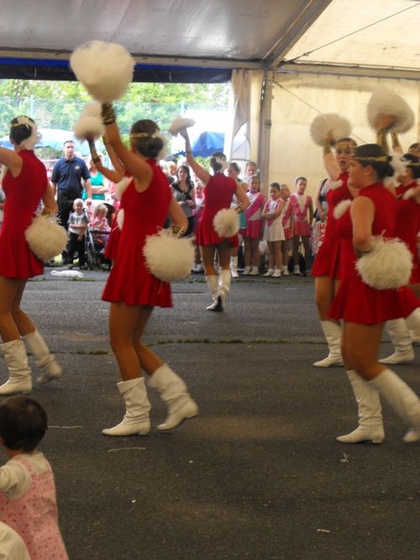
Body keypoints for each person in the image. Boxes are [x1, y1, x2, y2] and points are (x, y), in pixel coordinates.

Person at [97, 103, 198, 436]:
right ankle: (178, 396)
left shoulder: (142, 172)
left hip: (134, 265)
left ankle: (138, 416)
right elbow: (182, 222)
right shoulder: (156, 177)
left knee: (119, 342)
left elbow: (113, 140)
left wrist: (106, 103)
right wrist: (162, 247)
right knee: (134, 342)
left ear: (135, 145)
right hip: (148, 266)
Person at [329, 144, 420, 444]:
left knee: (364, 361)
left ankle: (416, 415)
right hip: (363, 281)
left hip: (365, 283)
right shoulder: (383, 194)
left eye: (353, 165)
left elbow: (362, 238)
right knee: (350, 356)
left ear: (368, 169)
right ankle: (370, 423)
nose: (348, 168)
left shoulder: (365, 200)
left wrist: (370, 257)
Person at [0, 115, 63, 395]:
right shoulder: (38, 166)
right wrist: (33, 220)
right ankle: (47, 363)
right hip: (25, 235)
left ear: (12, 137)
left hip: (13, 234)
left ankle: (19, 375)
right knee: (12, 308)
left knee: (1, 311)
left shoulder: (18, 160)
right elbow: (52, 206)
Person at [180, 128, 250, 311]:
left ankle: (215, 296)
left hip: (209, 224)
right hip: (225, 224)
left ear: (211, 165)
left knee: (208, 263)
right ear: (225, 165)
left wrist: (187, 139)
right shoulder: (232, 182)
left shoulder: (207, 179)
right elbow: (246, 202)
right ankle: (223, 294)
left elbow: (190, 161)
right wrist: (234, 212)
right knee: (225, 263)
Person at [0, 396, 68, 559]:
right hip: (51, 544)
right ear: (44, 431)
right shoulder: (43, 464)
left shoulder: (17, 472)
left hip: (26, 547)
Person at [311, 137, 357, 368]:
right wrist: (326, 141)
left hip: (349, 245)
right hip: (329, 243)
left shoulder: (357, 181)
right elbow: (328, 159)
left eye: (349, 152)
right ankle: (336, 350)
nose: (343, 155)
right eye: (340, 151)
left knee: (344, 303)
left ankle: (351, 351)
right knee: (321, 299)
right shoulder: (335, 178)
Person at [50, 140, 92, 232]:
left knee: (78, 223)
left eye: (72, 147)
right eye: (68, 147)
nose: (70, 149)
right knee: (61, 223)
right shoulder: (58, 164)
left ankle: (75, 245)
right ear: (64, 149)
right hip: (63, 198)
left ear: (74, 148)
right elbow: (53, 183)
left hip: (76, 197)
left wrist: (89, 197)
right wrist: (52, 200)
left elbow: (87, 180)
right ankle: (62, 245)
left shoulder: (81, 163)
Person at [241, 175, 265, 275]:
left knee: (255, 246)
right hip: (246, 224)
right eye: (252, 183)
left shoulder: (262, 197)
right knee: (247, 246)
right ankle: (247, 267)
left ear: (259, 185)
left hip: (257, 223)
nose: (254, 185)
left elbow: (264, 212)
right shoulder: (244, 195)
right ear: (248, 184)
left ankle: (255, 267)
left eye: (256, 183)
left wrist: (262, 226)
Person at [289, 176, 313, 276]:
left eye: (304, 185)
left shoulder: (308, 198)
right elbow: (289, 212)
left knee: (307, 246)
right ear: (296, 185)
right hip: (295, 223)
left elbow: (311, 211)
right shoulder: (292, 197)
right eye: (300, 184)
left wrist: (310, 223)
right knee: (295, 246)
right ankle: (296, 267)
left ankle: (307, 267)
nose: (302, 186)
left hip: (305, 223)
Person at [227, 162, 247, 277]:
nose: (228, 173)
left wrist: (234, 184)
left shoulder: (242, 184)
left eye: (231, 171)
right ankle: (223, 265)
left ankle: (233, 267)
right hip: (226, 211)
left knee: (235, 238)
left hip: (237, 210)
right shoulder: (225, 183)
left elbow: (240, 201)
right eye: (228, 171)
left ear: (237, 172)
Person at [261, 182, 285, 277]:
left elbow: (276, 213)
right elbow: (263, 214)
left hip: (276, 227)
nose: (272, 194)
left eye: (274, 191)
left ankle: (278, 269)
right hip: (268, 227)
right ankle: (271, 268)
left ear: (279, 192)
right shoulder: (268, 202)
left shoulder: (281, 202)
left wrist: (268, 215)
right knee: (270, 250)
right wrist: (268, 215)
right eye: (271, 192)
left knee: (277, 249)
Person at [171, 164, 195, 237]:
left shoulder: (191, 187)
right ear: (177, 173)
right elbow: (167, 204)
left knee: (188, 240)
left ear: (187, 174)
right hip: (177, 219)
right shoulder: (172, 186)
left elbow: (194, 206)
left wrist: (192, 203)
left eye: (185, 172)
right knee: (176, 239)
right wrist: (177, 204)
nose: (182, 174)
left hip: (189, 218)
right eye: (180, 172)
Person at [65, 198, 88, 270]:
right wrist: (79, 226)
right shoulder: (72, 215)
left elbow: (84, 226)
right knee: (70, 249)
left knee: (81, 250)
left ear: (82, 207)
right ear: (74, 207)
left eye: (80, 205)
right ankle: (69, 263)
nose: (79, 207)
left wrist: (81, 235)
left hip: (81, 234)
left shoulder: (84, 216)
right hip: (72, 234)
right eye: (77, 205)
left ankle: (82, 264)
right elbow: (70, 225)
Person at [280, 184, 293, 276]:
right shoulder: (277, 202)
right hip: (278, 227)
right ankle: (278, 266)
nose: (288, 192)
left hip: (286, 228)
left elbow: (292, 218)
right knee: (278, 249)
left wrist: (292, 230)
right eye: (285, 190)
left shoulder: (291, 203)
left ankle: (285, 267)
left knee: (285, 249)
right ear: (281, 192)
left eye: (288, 190)